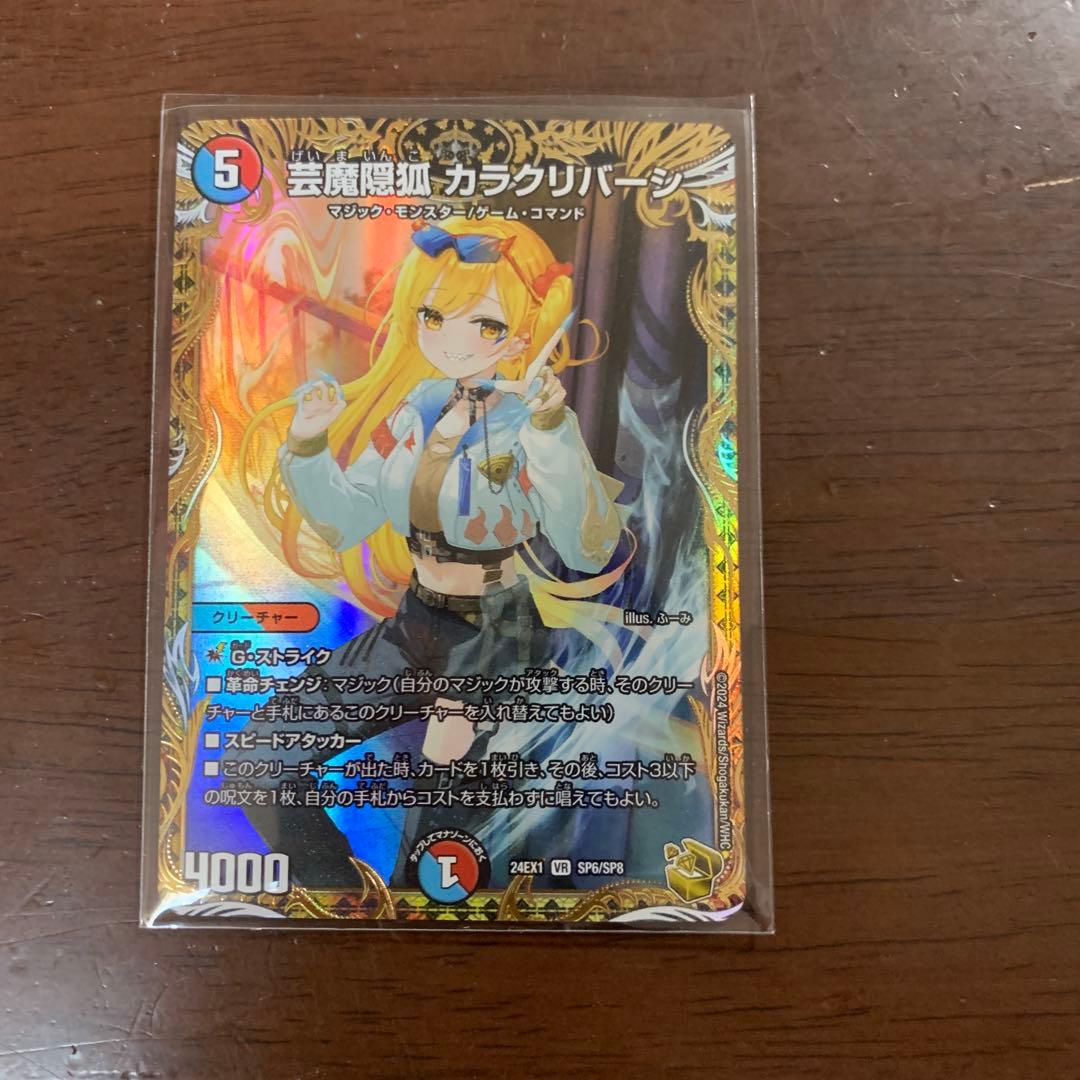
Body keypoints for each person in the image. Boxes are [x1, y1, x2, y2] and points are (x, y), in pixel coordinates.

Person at [238, 219, 628, 886]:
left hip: (494, 634)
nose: (451, 339)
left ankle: (411, 917)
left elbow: (586, 547)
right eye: (433, 315)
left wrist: (550, 432)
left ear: (523, 336)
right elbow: (347, 518)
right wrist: (307, 445)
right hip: (417, 618)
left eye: (484, 324)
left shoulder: (533, 424)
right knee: (259, 756)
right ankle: (347, 899)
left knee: (441, 826)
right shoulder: (417, 408)